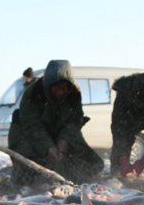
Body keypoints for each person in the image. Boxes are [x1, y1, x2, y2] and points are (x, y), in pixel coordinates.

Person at [8, 59, 104, 189]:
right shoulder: (33, 92)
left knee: (90, 160)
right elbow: (31, 125)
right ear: (47, 85)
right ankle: (30, 184)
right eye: (56, 88)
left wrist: (65, 140)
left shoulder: (74, 92)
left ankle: (71, 180)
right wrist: (48, 146)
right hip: (30, 133)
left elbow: (75, 119)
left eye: (64, 88)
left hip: (60, 130)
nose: (60, 92)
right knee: (28, 160)